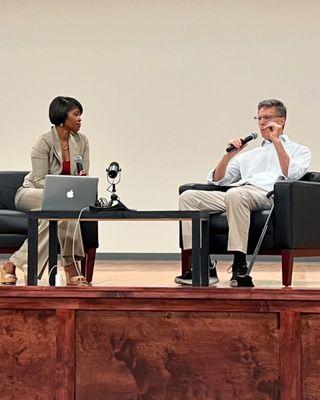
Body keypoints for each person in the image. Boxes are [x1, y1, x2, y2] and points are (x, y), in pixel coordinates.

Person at [175, 99, 311, 287]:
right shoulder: (249, 155)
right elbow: (217, 180)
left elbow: (291, 175)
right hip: (238, 194)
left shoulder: (299, 150)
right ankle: (201, 265)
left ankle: (239, 266)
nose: (262, 122)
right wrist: (229, 156)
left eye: (268, 117)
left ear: (282, 121)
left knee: (236, 194)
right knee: (189, 197)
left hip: (269, 196)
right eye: (259, 118)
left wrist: (277, 141)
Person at [1, 96, 90, 286]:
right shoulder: (43, 141)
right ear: (62, 117)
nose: (80, 119)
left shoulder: (82, 141)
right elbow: (40, 180)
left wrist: (80, 185)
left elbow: (83, 176)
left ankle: (12, 263)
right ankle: (71, 268)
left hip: (62, 198)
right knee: (65, 205)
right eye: (76, 114)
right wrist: (63, 193)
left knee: (63, 209)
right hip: (30, 193)